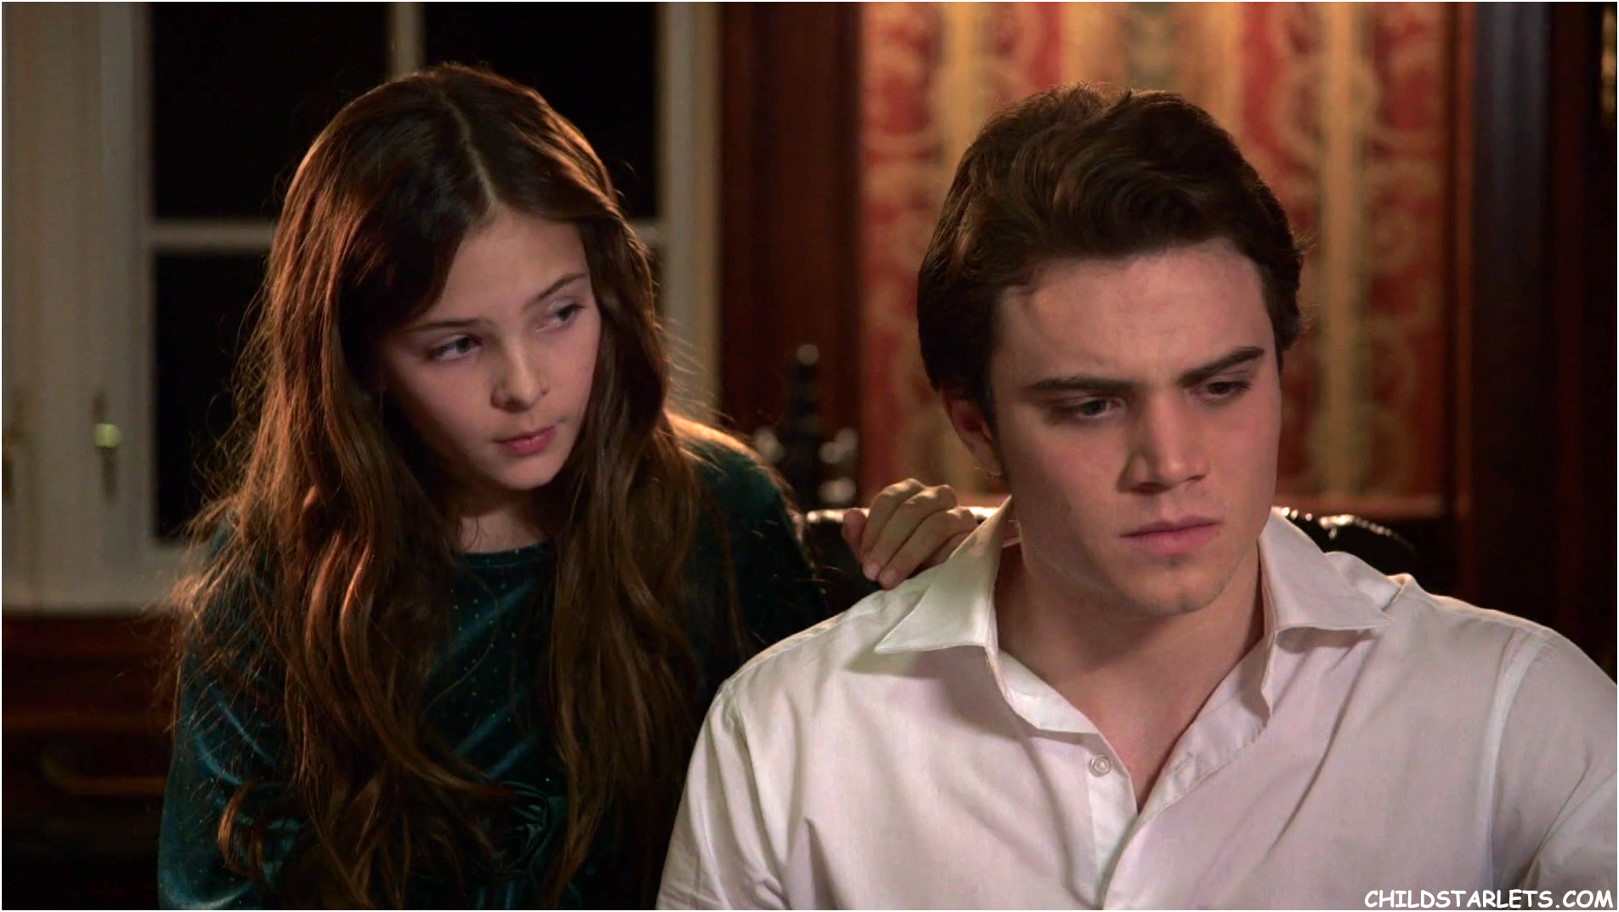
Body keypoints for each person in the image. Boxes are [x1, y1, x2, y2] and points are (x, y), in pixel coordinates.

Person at [658, 84, 1617, 909]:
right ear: (975, 425)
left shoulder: (1514, 714)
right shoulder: (791, 735)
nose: (1169, 462)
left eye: (1220, 387)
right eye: (1090, 405)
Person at [157, 64, 978, 909]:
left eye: (559, 313)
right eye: (456, 345)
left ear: (608, 295)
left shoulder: (715, 512)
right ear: (362, 365)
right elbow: (215, 894)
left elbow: (834, 829)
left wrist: (947, 595)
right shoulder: (272, 569)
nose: (525, 385)